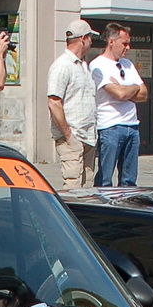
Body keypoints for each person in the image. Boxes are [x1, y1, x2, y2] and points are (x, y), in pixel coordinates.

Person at [90, 22, 147, 186]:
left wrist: (131, 89)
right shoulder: (97, 65)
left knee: (129, 180)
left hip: (132, 126)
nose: (128, 47)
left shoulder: (127, 64)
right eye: (125, 43)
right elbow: (119, 93)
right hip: (110, 127)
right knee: (105, 179)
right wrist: (133, 89)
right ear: (111, 41)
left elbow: (144, 94)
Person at [46, 19, 99, 188]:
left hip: (88, 136)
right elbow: (54, 102)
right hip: (72, 137)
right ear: (83, 39)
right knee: (72, 186)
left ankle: (81, 216)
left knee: (87, 187)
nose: (91, 42)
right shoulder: (62, 66)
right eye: (90, 38)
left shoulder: (83, 65)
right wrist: (68, 136)